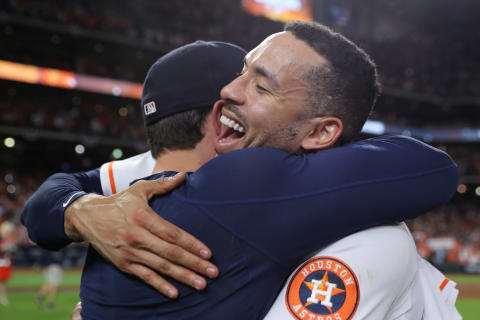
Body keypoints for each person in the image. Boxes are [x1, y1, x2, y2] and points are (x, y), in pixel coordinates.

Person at [22, 22, 459, 319]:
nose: (229, 91)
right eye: (242, 73)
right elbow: (428, 168)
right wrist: (77, 208)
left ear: (322, 132)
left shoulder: (149, 182)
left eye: (259, 84)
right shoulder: (251, 183)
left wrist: (75, 209)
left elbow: (47, 206)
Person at [0, 221, 16, 306]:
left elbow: (13, 252)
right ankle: (2, 297)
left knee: (3, 282)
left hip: (6, 263)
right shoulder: (2, 241)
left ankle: (2, 297)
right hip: (1, 263)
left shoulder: (11, 241)